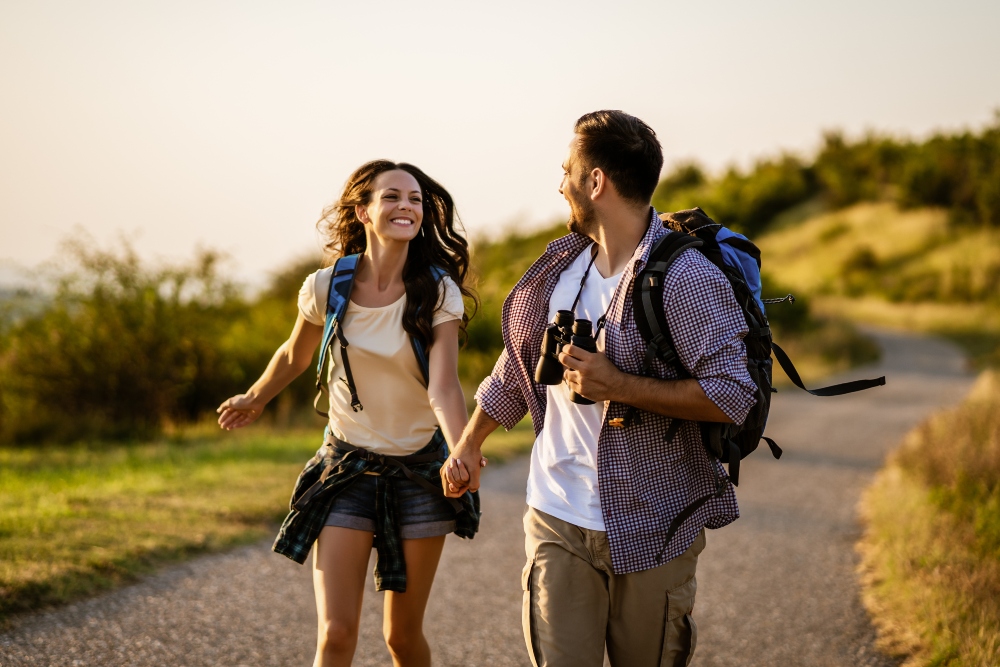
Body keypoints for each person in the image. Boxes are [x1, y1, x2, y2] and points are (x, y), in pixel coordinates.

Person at [442, 111, 758, 667]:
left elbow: (733, 393)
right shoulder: (559, 269)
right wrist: (469, 443)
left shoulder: (685, 278)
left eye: (567, 171)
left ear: (596, 182)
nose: (560, 183)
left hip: (657, 518)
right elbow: (517, 370)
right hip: (556, 515)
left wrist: (620, 385)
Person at [217, 160, 482, 667]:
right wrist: (255, 397)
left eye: (415, 200)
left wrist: (461, 449)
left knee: (402, 638)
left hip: (420, 472)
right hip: (347, 470)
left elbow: (444, 386)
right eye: (392, 197)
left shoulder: (436, 290)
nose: (406, 206)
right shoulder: (327, 286)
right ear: (363, 210)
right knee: (336, 635)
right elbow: (295, 355)